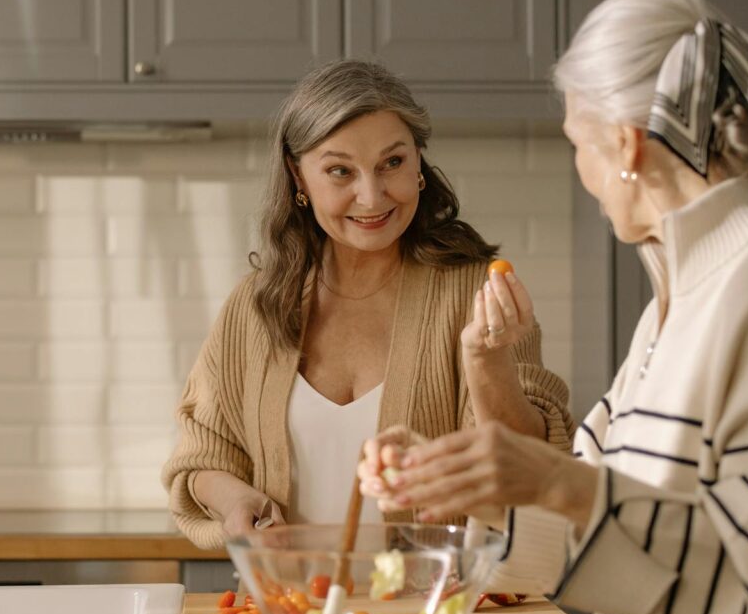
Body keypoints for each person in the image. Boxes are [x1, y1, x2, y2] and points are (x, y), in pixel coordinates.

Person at [360, 0, 748, 614]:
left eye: (578, 143)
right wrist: (462, 477)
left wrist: (554, 479)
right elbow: (585, 523)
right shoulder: (674, 305)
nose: (581, 170)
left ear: (625, 147)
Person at [161, 59, 575, 549]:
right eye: (340, 171)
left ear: (418, 162)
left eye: (392, 163)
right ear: (299, 177)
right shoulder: (255, 306)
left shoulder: (477, 294)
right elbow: (203, 458)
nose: (372, 195)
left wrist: (488, 361)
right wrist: (234, 502)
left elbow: (528, 465)